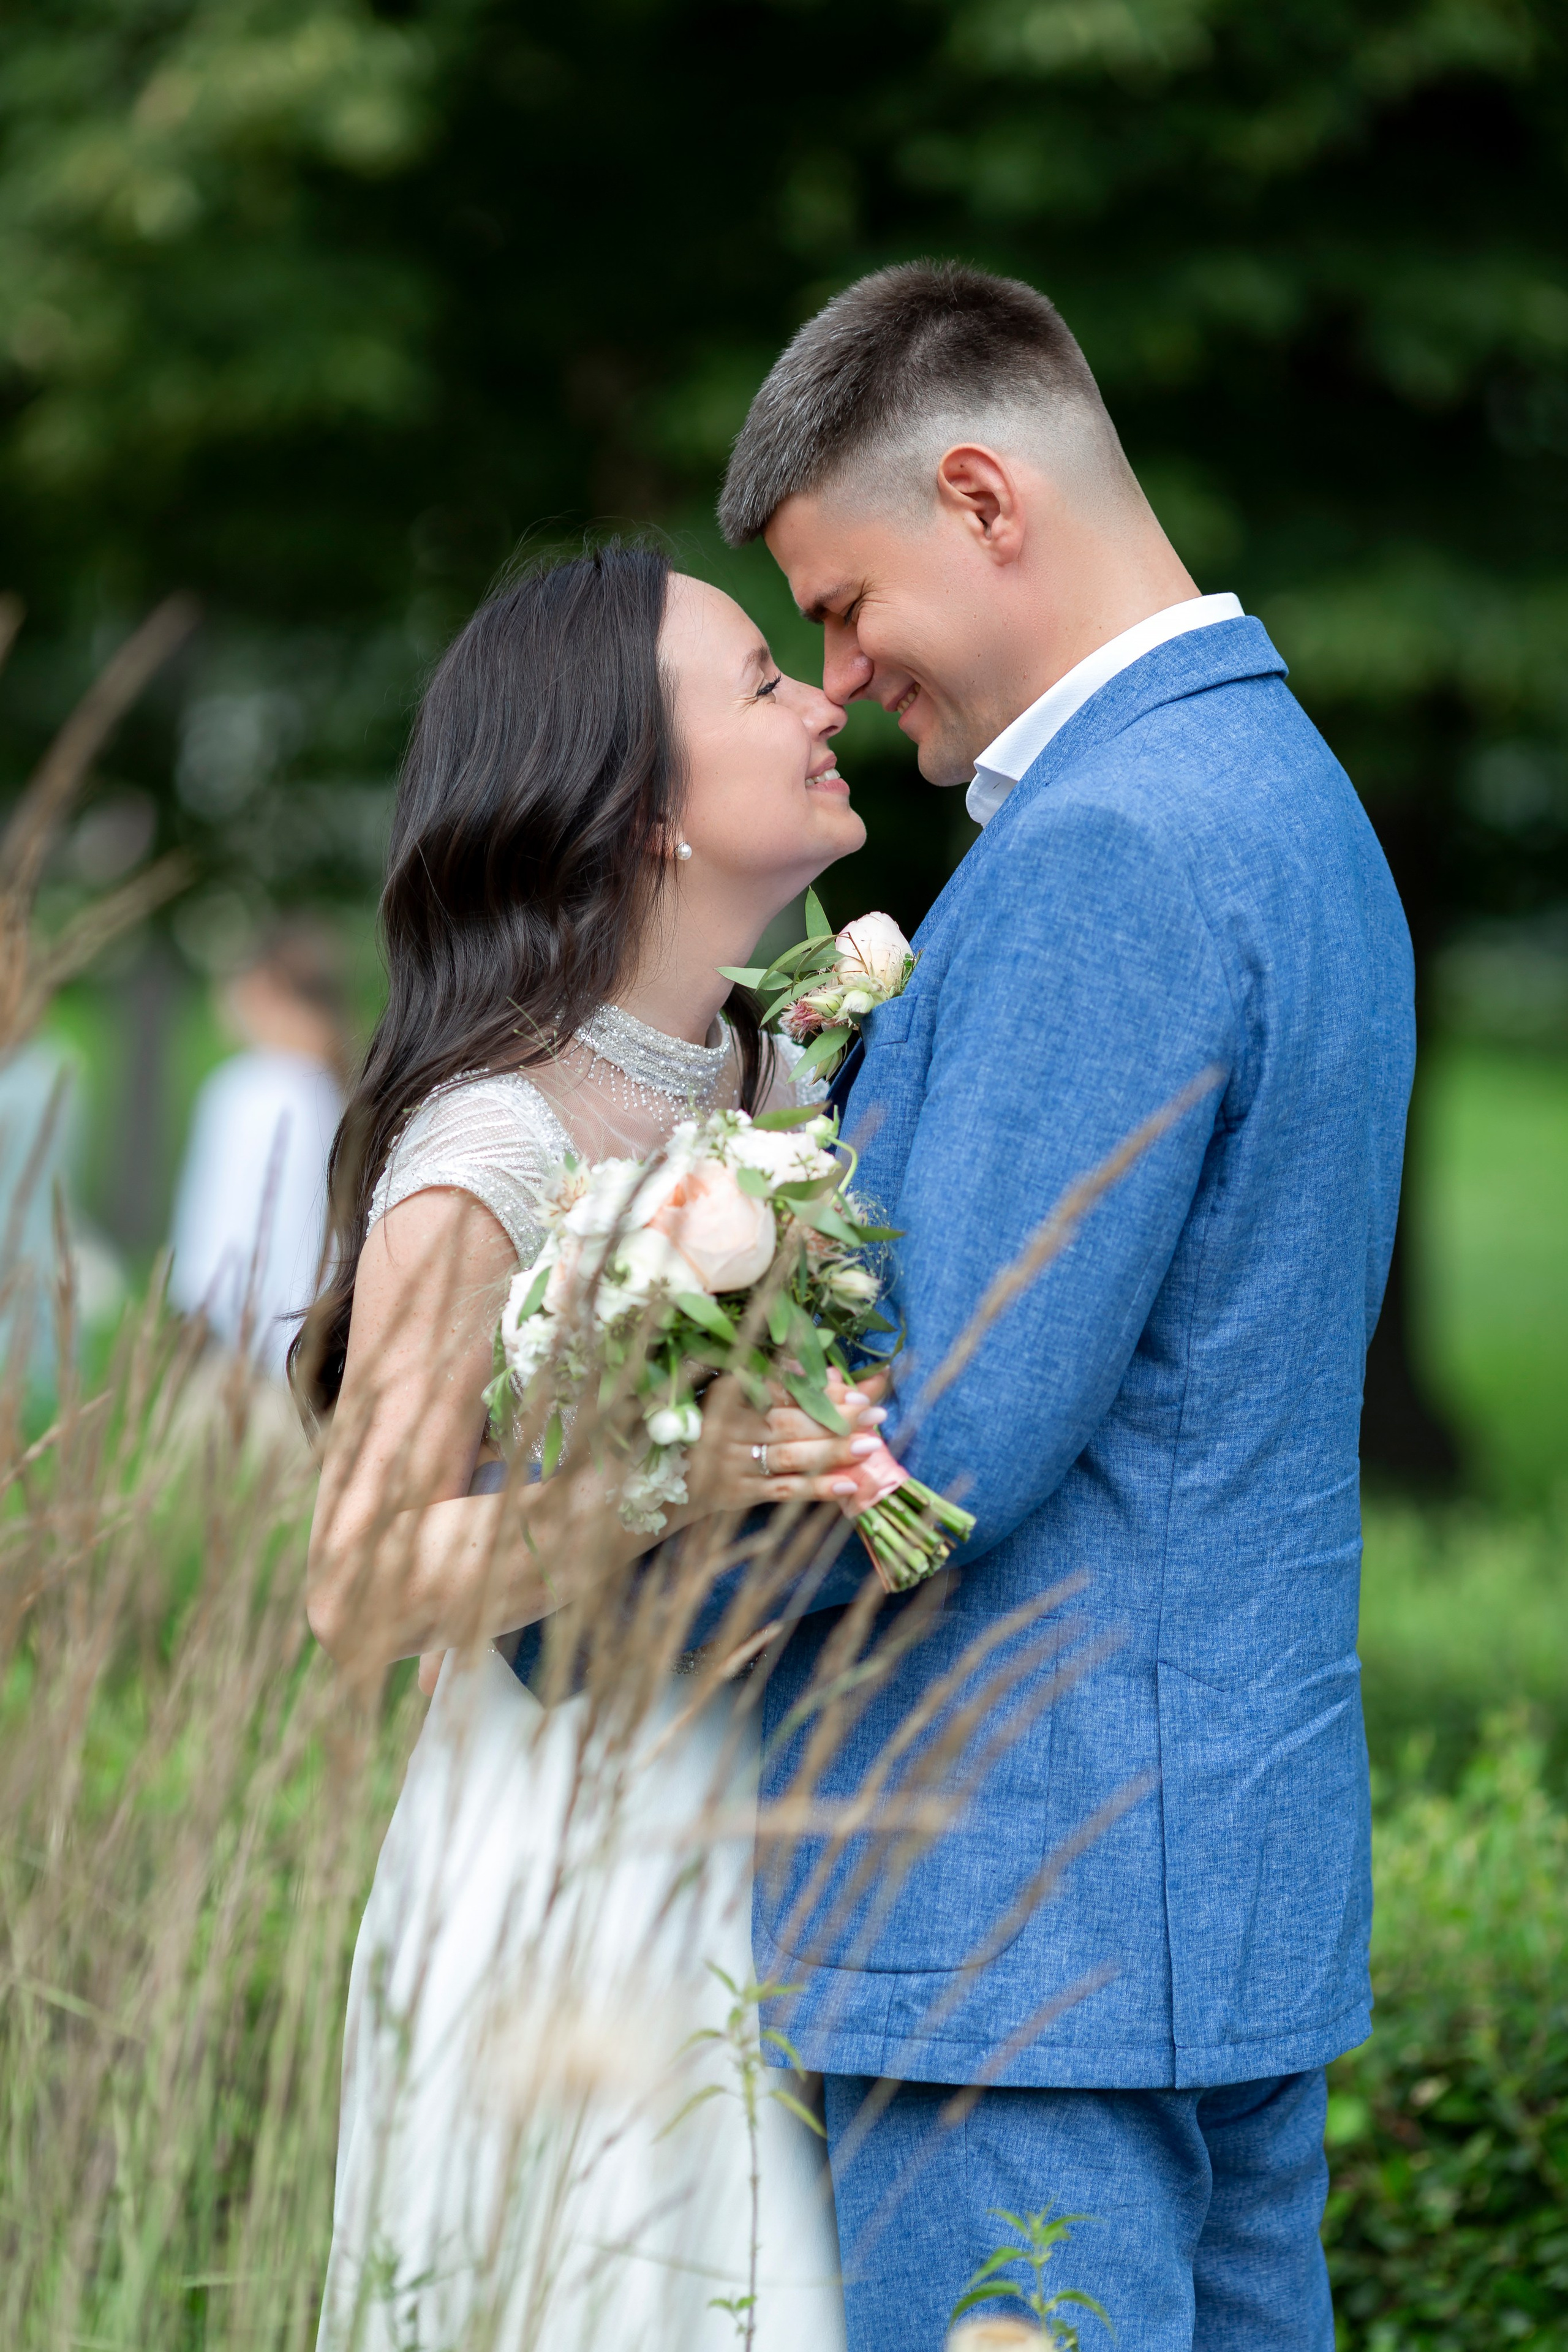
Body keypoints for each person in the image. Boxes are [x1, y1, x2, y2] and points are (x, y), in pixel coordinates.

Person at [715, 262, 1415, 2351]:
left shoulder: (1109, 847)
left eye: (842, 606)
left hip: (1022, 1941)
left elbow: (937, 1437)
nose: (835, 677)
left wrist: (573, 1573)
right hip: (1211, 1907)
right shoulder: (1283, 787)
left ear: (981, 497)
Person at [303, 546, 884, 2350]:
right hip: (550, 1852)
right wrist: (675, 1480)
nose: (821, 697)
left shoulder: (777, 1078)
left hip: (768, 1813)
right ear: (642, 809)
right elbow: (360, 1578)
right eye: (760, 679)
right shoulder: (487, 1140)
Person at [168, 923, 347, 1377]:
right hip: (310, 1340)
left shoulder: (248, 1088)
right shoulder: (335, 1089)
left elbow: (218, 1221)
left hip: (233, 1339)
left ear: (265, 989)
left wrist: (195, 1310)